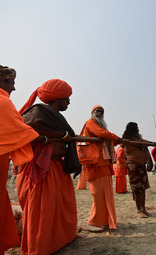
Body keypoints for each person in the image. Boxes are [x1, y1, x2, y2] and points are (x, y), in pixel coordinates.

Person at [17, 79, 82, 255]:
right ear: (58, 98)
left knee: (61, 206)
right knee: (43, 210)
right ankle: (40, 246)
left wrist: (64, 136)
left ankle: (60, 239)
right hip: (41, 167)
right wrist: (60, 135)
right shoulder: (38, 111)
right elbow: (29, 127)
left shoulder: (55, 116)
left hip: (57, 166)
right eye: (67, 99)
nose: (68, 103)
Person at [0, 65, 42, 254]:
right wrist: (45, 137)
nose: (14, 88)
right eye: (12, 83)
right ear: (3, 81)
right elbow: (20, 129)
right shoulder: (3, 102)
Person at [82, 105, 122, 232]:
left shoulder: (102, 127)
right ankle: (93, 222)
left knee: (106, 195)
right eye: (97, 111)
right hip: (95, 164)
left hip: (104, 164)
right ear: (92, 112)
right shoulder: (90, 123)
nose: (99, 113)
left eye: (102, 111)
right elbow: (101, 134)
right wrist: (117, 138)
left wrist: (115, 139)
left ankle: (104, 221)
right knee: (98, 195)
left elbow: (106, 137)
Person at [123, 122, 156, 218]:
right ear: (133, 128)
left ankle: (143, 208)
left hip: (141, 166)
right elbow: (142, 144)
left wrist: (154, 143)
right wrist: (151, 143)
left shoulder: (137, 138)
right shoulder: (129, 139)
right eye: (137, 127)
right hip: (133, 166)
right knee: (137, 188)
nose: (138, 129)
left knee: (142, 188)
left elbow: (143, 142)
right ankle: (139, 210)